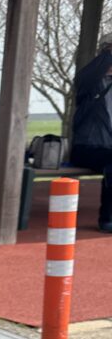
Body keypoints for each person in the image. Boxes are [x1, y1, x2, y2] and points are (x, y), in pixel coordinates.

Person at [70, 32, 112, 234]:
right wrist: (107, 54)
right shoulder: (91, 83)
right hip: (86, 148)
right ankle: (108, 219)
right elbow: (85, 77)